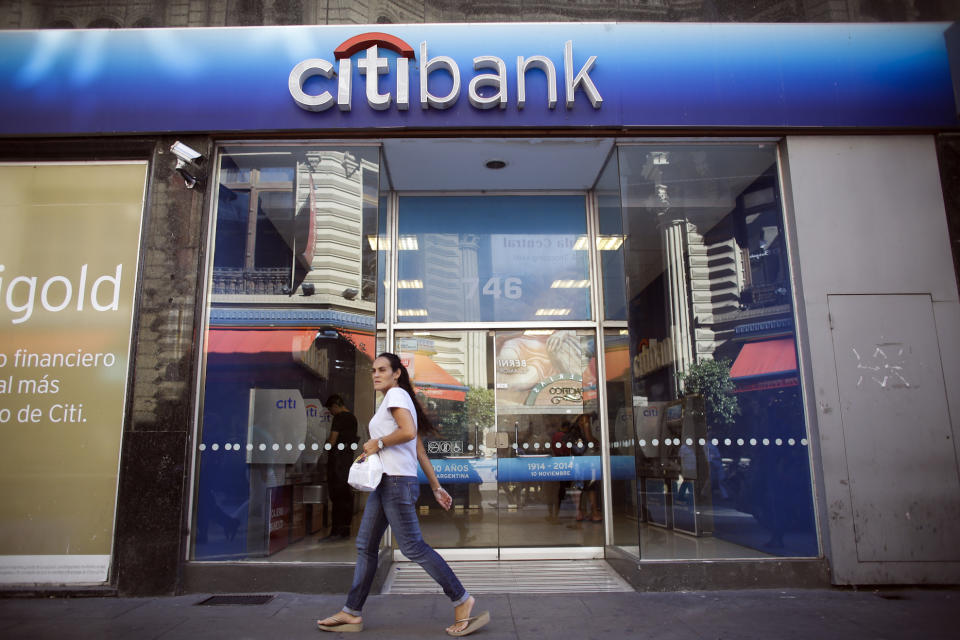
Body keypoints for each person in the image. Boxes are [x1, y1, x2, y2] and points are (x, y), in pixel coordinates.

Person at [317, 352, 490, 637]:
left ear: (396, 373)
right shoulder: (398, 399)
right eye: (373, 370)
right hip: (391, 482)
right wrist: (436, 486)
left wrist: (377, 443)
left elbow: (408, 433)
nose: (375, 374)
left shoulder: (396, 396)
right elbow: (418, 448)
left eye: (382, 369)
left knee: (412, 547)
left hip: (395, 483)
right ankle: (352, 612)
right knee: (366, 544)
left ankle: (462, 599)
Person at [320, 394, 358, 541]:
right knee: (345, 495)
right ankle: (345, 530)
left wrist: (325, 444)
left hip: (337, 462)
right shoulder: (353, 418)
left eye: (330, 410)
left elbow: (332, 440)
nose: (331, 413)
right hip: (347, 462)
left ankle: (335, 531)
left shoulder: (339, 418)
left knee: (336, 496)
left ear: (335, 406)